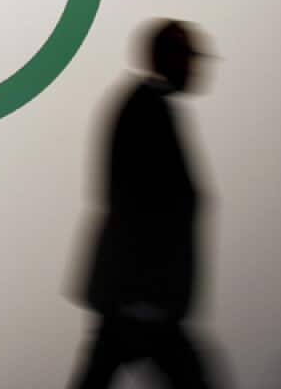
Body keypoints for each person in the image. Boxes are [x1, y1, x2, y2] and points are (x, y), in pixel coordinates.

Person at [67, 19, 221, 388]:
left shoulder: (147, 108)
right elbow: (138, 205)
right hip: (141, 302)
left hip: (140, 301)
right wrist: (144, 298)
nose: (196, 68)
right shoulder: (146, 112)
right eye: (188, 58)